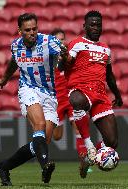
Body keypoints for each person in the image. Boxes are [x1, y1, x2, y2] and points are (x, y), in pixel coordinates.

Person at [0, 13, 67, 186]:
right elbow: (14, 62)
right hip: (28, 89)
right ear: (19, 31)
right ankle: (45, 166)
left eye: (34, 29)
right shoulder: (16, 46)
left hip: (50, 93)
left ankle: (3, 167)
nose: (32, 32)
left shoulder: (49, 42)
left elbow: (67, 58)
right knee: (39, 125)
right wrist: (4, 79)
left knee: (40, 143)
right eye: (27, 30)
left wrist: (65, 58)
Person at [61, 10, 123, 167]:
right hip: (80, 88)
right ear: (85, 26)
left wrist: (117, 94)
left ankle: (88, 159)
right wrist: (63, 58)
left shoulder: (105, 49)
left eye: (98, 25)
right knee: (76, 100)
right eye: (92, 24)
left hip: (100, 95)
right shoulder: (76, 44)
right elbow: (64, 65)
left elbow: (110, 76)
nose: (96, 27)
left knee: (112, 141)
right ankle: (89, 146)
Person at [50, 28, 91, 179]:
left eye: (63, 39)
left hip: (70, 98)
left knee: (79, 127)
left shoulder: (70, 56)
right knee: (57, 137)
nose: (62, 42)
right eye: (58, 39)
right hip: (56, 102)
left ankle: (84, 160)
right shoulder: (48, 59)